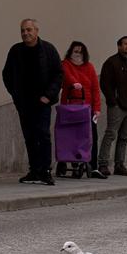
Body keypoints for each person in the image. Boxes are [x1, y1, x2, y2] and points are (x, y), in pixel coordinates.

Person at [2, 19, 62, 185]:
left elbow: (58, 75)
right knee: (29, 136)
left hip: (42, 102)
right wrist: (15, 95)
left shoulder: (48, 50)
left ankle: (45, 171)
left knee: (42, 135)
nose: (25, 33)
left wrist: (48, 96)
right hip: (24, 103)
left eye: (29, 30)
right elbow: (7, 75)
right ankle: (34, 171)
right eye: (23, 30)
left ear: (36, 31)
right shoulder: (16, 51)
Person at [54, 40, 101, 178]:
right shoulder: (65, 64)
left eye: (80, 52)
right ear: (70, 52)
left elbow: (95, 90)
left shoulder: (89, 67)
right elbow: (67, 76)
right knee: (69, 136)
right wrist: (75, 83)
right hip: (70, 106)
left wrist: (97, 109)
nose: (78, 54)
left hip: (87, 108)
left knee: (90, 136)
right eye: (75, 51)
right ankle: (69, 161)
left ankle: (92, 166)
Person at [98, 35, 127, 177]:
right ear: (119, 46)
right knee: (111, 134)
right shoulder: (111, 62)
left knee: (124, 136)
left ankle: (119, 164)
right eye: (125, 44)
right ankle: (103, 164)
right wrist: (112, 101)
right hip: (116, 105)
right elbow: (105, 83)